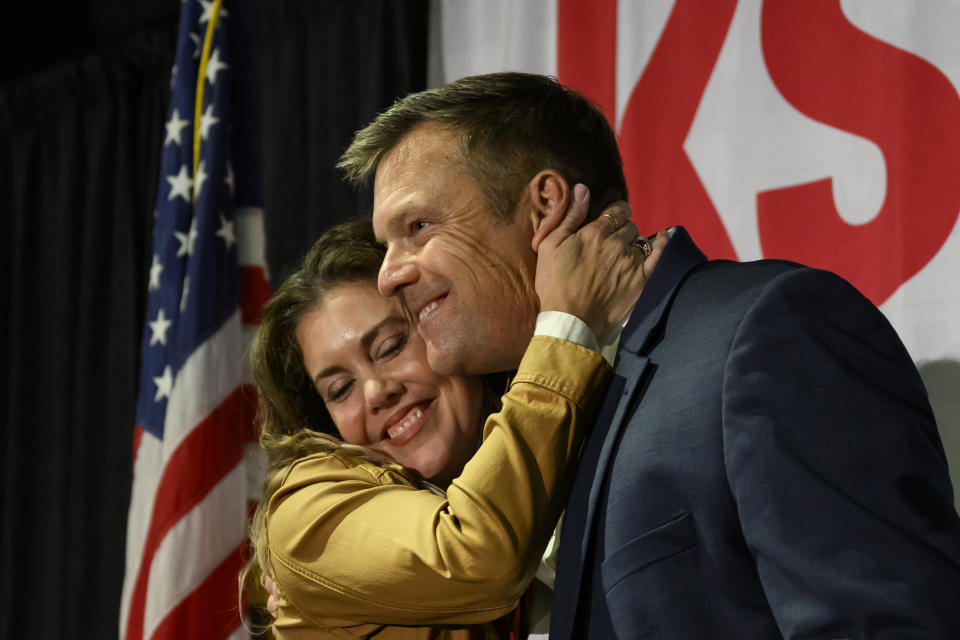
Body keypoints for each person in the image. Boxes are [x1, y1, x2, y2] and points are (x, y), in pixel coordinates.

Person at [338, 71, 960, 637]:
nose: (389, 277)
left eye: (417, 227)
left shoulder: (765, 329)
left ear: (544, 205)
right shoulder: (526, 418)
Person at [244, 197, 662, 638]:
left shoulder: (565, 433)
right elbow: (474, 552)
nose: (375, 391)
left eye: (390, 347)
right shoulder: (306, 514)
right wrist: (566, 323)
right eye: (339, 390)